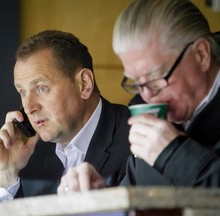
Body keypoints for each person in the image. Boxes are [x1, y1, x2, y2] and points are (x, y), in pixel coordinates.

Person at [57, 0, 220, 193]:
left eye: (156, 76)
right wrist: (102, 198)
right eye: (137, 82)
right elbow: (137, 197)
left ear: (201, 55)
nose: (148, 95)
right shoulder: (146, 108)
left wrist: (172, 155)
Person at [0, 30, 131, 200]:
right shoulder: (26, 156)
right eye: (23, 92)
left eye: (41, 88)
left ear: (83, 84)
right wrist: (6, 176)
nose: (28, 108)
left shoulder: (138, 140)